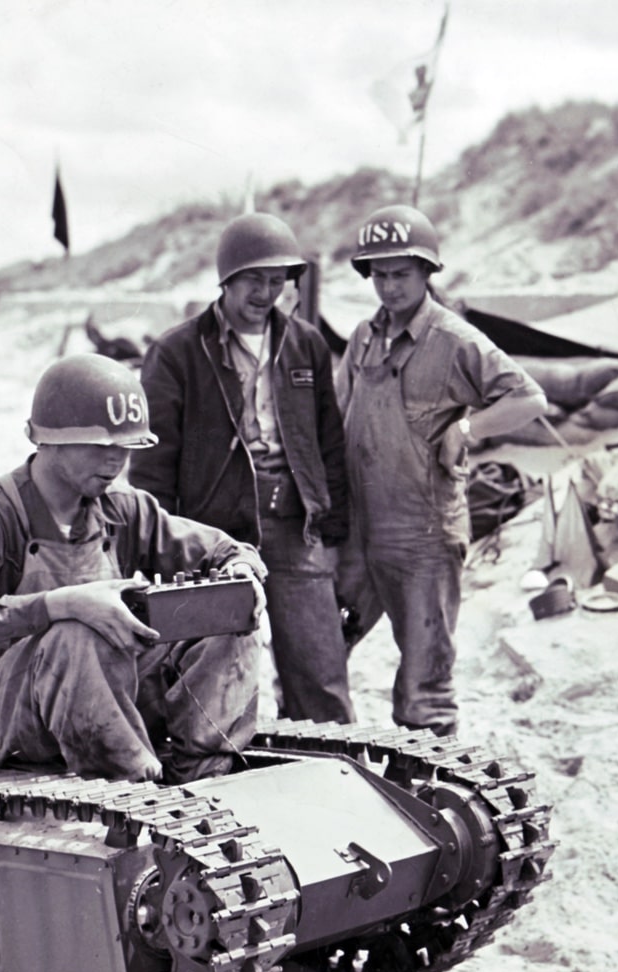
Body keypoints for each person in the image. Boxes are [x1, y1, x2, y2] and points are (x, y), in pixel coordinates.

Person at [0, 353, 267, 783]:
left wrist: (242, 567)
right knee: (77, 633)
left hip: (108, 696)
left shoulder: (121, 507)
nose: (115, 461)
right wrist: (63, 604)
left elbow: (220, 548)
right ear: (49, 439)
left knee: (229, 607)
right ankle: (133, 784)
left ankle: (206, 772)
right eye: (101, 445)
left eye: (124, 446)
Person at [130, 212, 354, 723]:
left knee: (321, 675)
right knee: (210, 683)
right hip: (213, 533)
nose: (266, 292)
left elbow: (328, 442)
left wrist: (334, 529)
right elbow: (152, 464)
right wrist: (162, 543)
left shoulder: (306, 344)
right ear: (227, 279)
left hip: (295, 526)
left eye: (277, 281)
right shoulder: (176, 352)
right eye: (254, 279)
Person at [335, 204, 548, 738]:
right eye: (379, 275)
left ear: (428, 272)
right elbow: (337, 417)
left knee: (425, 683)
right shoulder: (363, 338)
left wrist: (467, 429)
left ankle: (430, 789)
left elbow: (529, 399)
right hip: (360, 529)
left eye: (401, 274)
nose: (389, 286)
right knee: (320, 651)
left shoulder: (454, 340)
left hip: (423, 535)